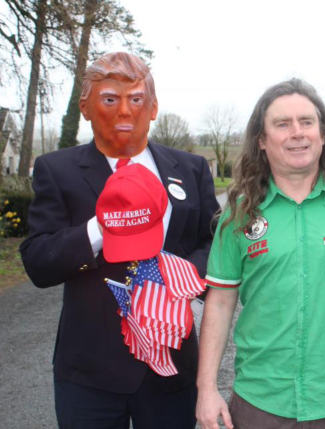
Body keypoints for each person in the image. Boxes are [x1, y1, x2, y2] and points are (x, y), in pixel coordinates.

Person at [20, 52, 219, 429]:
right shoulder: (57, 170)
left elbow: (216, 246)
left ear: (154, 107)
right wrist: (99, 229)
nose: (125, 110)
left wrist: (180, 275)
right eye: (110, 99)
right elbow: (37, 262)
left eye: (137, 98)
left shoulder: (190, 169)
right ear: (86, 107)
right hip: (89, 372)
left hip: (172, 366)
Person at [196, 78, 325, 429]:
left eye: (307, 122)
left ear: (323, 135)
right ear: (262, 141)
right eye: (282, 124)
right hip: (261, 401)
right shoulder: (238, 215)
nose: (297, 133)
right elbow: (218, 302)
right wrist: (206, 388)